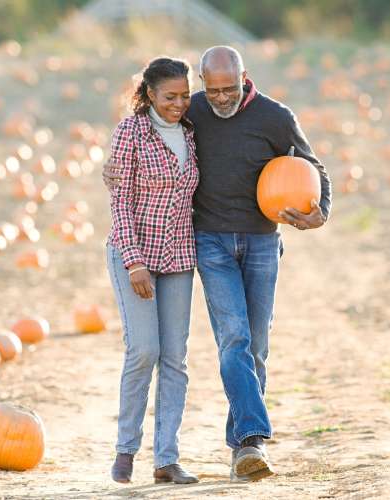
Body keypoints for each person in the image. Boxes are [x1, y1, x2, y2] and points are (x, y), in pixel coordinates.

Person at [104, 46, 332, 482]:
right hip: (208, 243)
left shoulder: (275, 116)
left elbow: (313, 165)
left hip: (262, 241)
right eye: (213, 90)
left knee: (256, 346)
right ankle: (252, 439)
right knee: (233, 339)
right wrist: (112, 170)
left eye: (231, 88)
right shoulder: (193, 113)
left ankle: (239, 448)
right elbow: (134, 159)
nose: (222, 98)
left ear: (245, 78)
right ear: (203, 86)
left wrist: (320, 208)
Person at [105, 56, 200, 485]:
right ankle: (126, 450)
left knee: (175, 358)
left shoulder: (192, 132)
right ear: (149, 94)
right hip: (135, 254)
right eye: (169, 97)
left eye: (184, 95)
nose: (178, 104)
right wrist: (134, 261)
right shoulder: (131, 132)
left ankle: (166, 458)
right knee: (143, 350)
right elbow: (120, 202)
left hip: (179, 255)